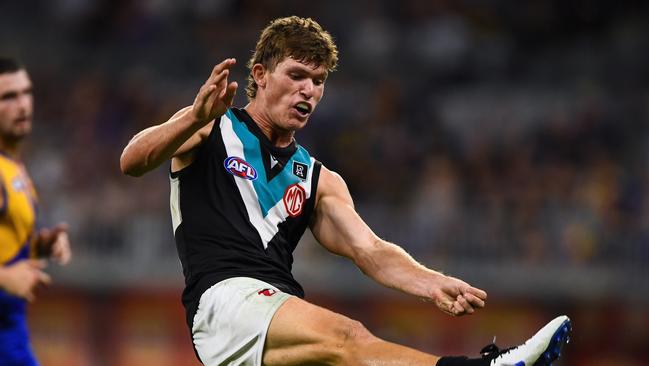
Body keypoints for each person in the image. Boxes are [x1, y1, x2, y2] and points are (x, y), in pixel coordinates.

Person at [120, 16, 570, 366]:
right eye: (297, 75)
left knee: (356, 352)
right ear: (259, 74)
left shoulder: (318, 178)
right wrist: (192, 118)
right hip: (224, 302)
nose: (309, 91)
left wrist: (431, 283)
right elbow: (132, 161)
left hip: (277, 313)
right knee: (350, 337)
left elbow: (370, 250)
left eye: (318, 81)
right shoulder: (210, 128)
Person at [0, 57, 72, 365]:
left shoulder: (15, 170)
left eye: (25, 93)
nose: (23, 104)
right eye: (8, 97)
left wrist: (38, 246)